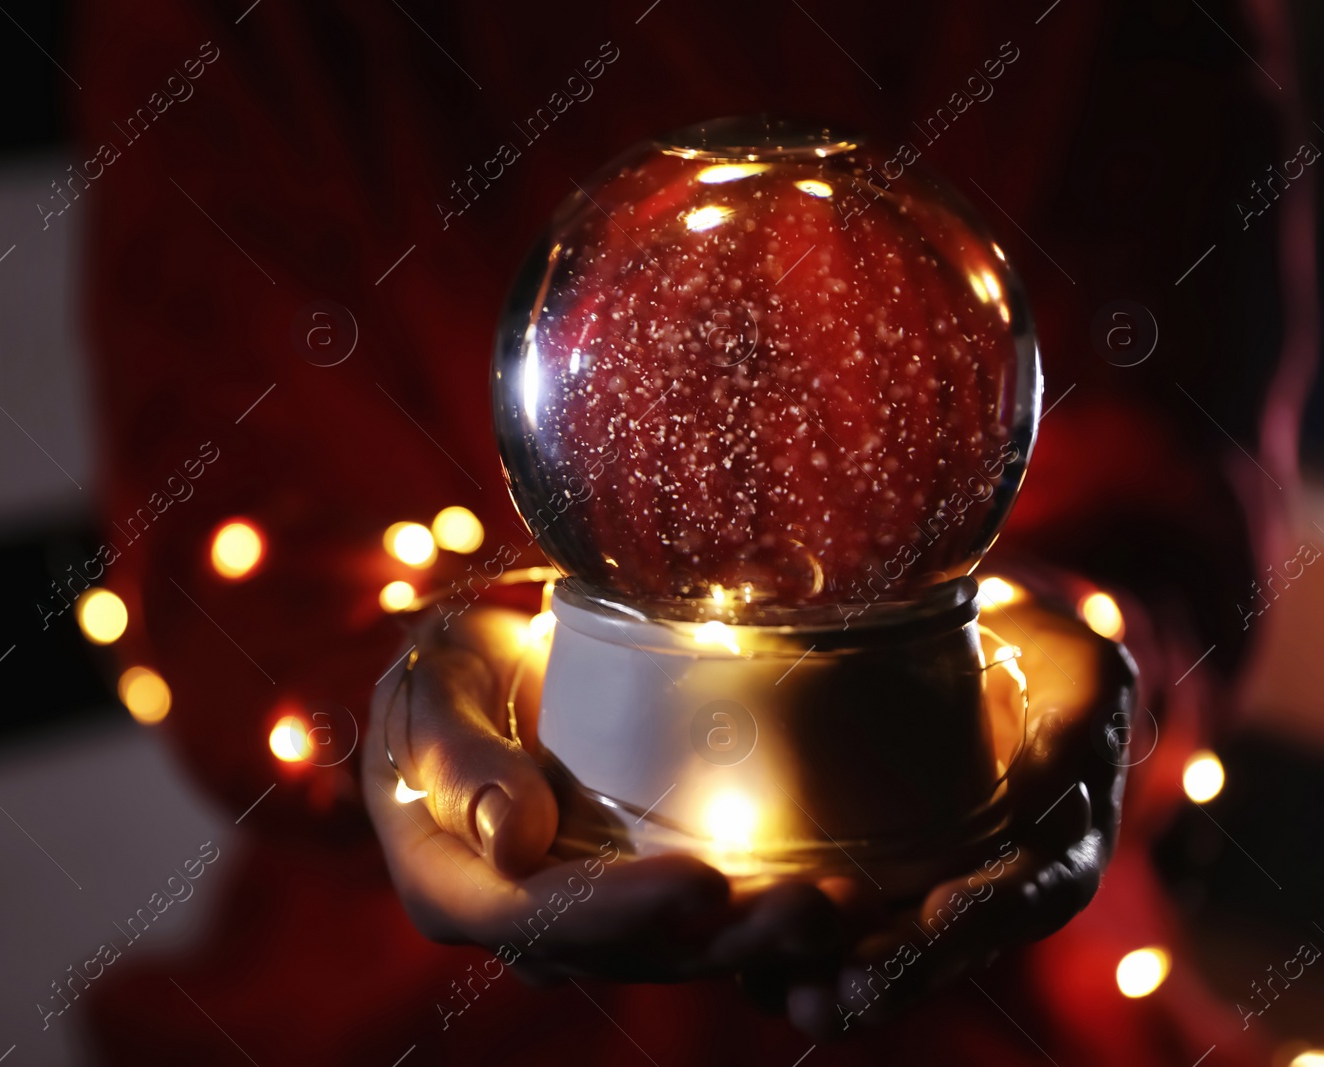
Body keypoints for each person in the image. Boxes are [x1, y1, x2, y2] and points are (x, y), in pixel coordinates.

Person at [71, 0, 1312, 1062]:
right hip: (400, 1016)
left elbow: (1174, 484)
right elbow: (233, 550)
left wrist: (1089, 645)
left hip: (1006, 995)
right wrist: (392, 705)